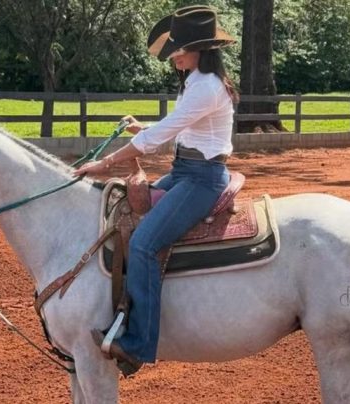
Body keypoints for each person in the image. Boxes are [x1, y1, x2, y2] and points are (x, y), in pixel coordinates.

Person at [74, 4, 238, 375]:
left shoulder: (206, 87)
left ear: (199, 49)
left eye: (179, 49)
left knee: (145, 243)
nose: (173, 56)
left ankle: (139, 342)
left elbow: (164, 134)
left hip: (201, 180)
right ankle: (126, 309)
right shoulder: (197, 81)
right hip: (186, 172)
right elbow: (178, 126)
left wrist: (105, 163)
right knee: (127, 212)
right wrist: (143, 128)